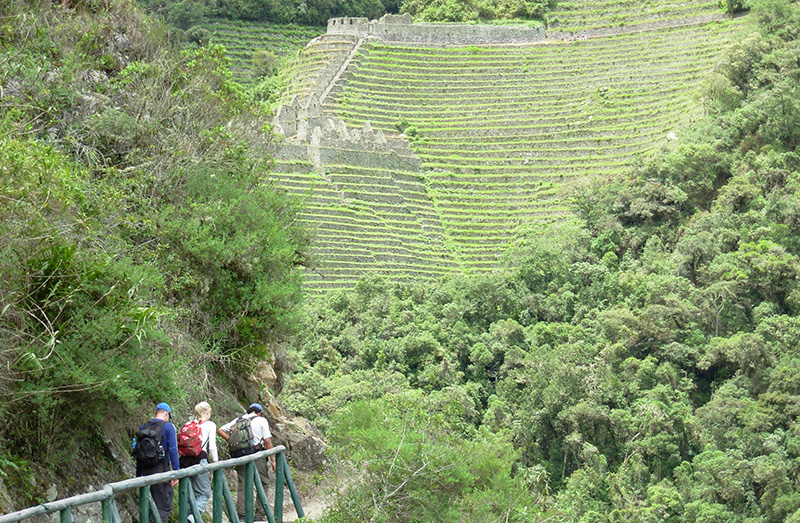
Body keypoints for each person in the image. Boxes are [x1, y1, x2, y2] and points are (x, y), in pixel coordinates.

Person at [217, 403, 276, 518]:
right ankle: (260, 514)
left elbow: (220, 430)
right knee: (263, 483)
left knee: (243, 483)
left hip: (241, 455)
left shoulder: (238, 420)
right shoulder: (261, 420)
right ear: (260, 412)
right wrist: (272, 460)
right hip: (257, 455)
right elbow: (267, 441)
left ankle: (242, 515)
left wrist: (232, 441)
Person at [136, 402, 180, 523]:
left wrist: (138, 476)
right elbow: (172, 450)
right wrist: (177, 472)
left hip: (145, 471)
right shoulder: (168, 427)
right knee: (163, 506)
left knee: (147, 506)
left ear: (155, 413)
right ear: (166, 413)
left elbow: (138, 452)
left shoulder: (143, 427)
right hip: (161, 471)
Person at [179, 401, 219, 521]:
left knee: (188, 494)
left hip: (185, 461)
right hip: (200, 460)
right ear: (207, 412)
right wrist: (216, 462)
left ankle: (185, 518)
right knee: (204, 494)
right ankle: (192, 518)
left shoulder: (188, 424)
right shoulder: (210, 425)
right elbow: (211, 446)